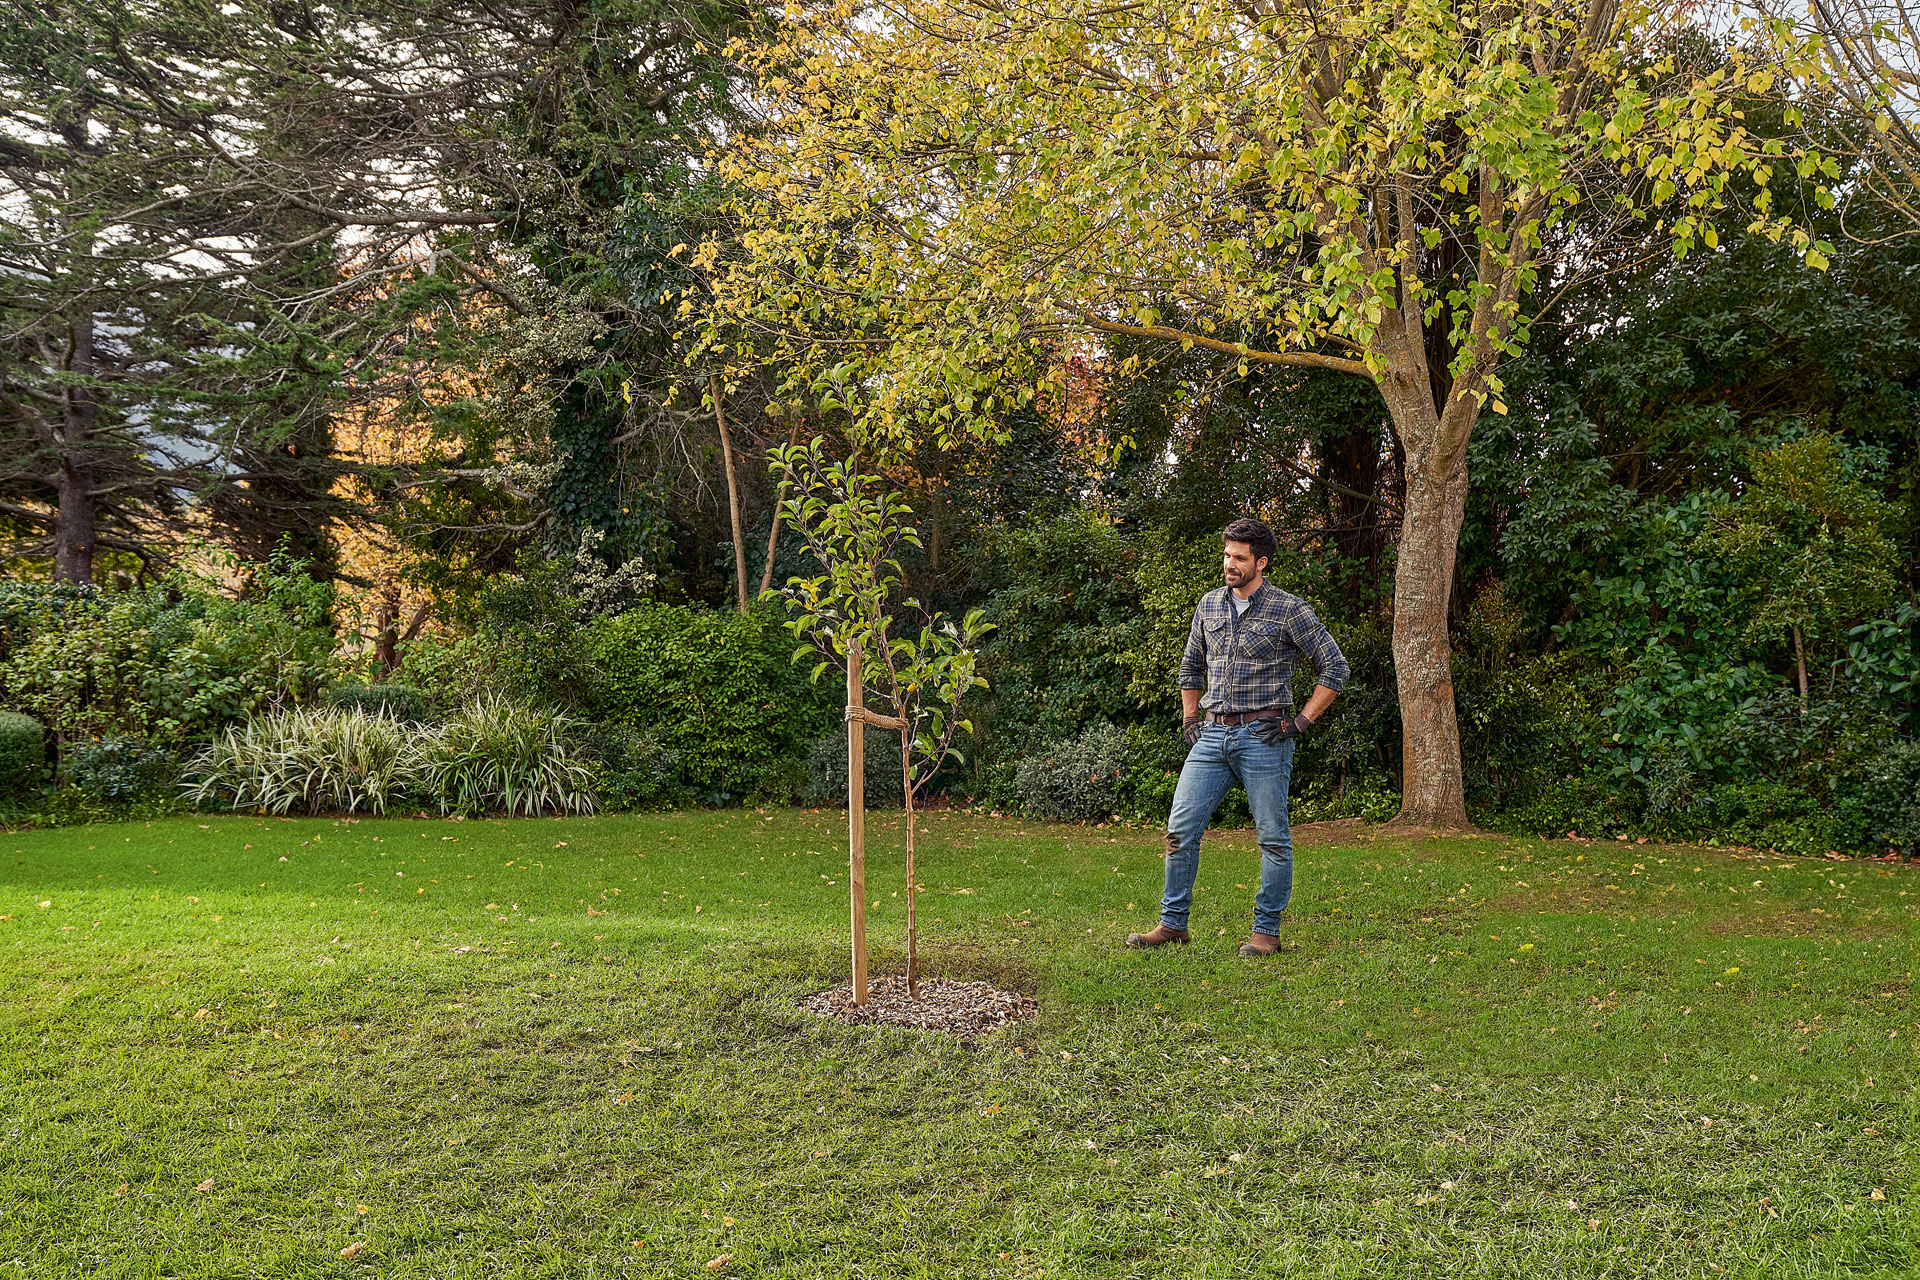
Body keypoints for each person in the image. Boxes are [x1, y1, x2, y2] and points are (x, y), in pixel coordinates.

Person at [1126, 516, 1350, 957]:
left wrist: (1298, 722)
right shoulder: (1208, 605)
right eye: (1227, 554)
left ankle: (1266, 933)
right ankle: (1173, 925)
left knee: (1272, 838)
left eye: (1239, 558)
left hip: (1264, 737)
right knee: (1179, 831)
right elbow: (1191, 666)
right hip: (1211, 736)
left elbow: (1335, 667)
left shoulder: (1290, 610)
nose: (1230, 564)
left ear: (1260, 562)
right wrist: (1191, 718)